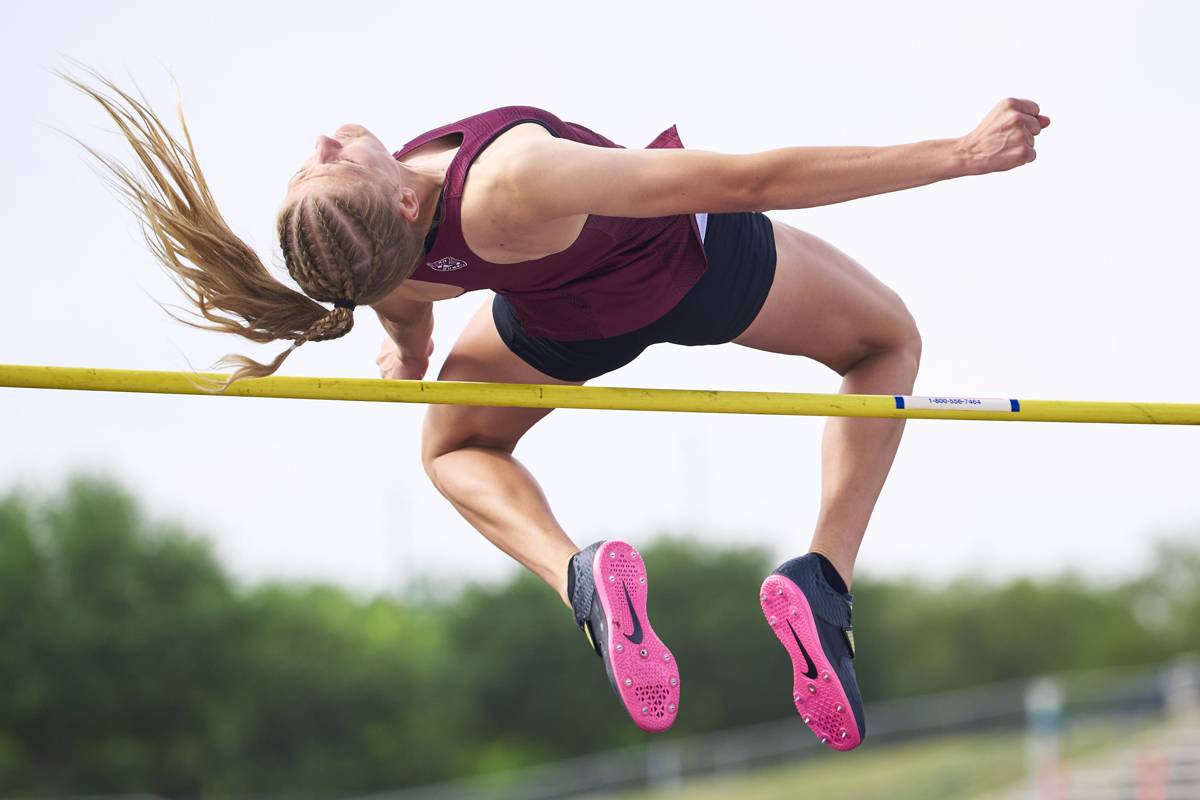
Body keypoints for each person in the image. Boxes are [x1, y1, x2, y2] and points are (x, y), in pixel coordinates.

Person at [69, 71, 1049, 748]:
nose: (322, 142)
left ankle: (579, 575)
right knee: (884, 345)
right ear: (405, 207)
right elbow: (747, 179)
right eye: (332, 162)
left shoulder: (378, 254)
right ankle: (823, 578)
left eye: (311, 163)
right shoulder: (510, 177)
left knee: (453, 445)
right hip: (699, 270)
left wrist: (405, 364)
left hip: (563, 323)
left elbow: (406, 315)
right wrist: (959, 153)